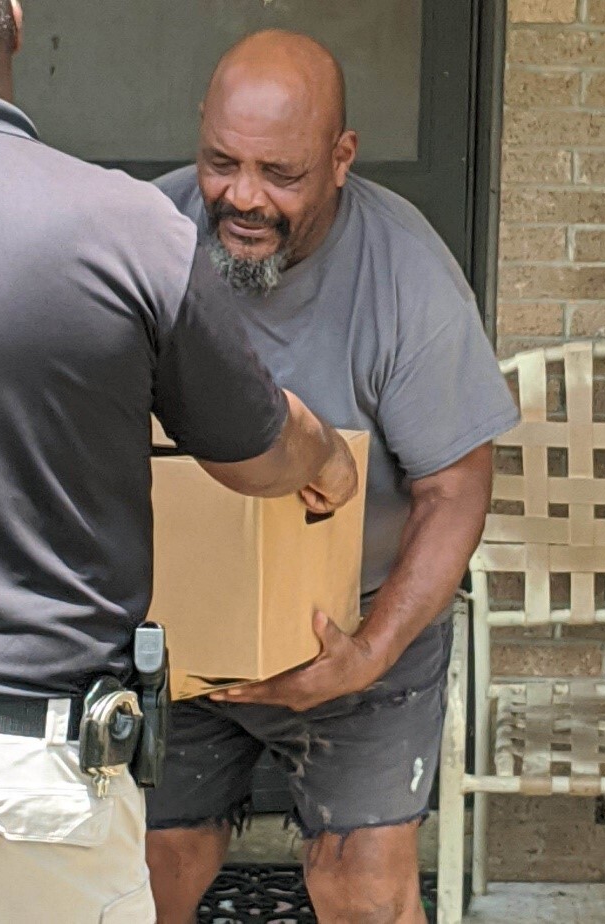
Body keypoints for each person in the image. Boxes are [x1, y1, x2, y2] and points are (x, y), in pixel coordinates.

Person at [0, 7, 358, 923]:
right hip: (38, 771)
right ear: (17, 22)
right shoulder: (124, 227)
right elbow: (258, 454)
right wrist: (329, 458)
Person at [146, 29, 520, 924]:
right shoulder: (144, 238)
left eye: (281, 174)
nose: (242, 196)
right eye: (221, 161)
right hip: (181, 632)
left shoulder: (408, 275)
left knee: (363, 890)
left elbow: (456, 490)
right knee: (146, 872)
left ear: (342, 157)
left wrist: (370, 651)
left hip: (356, 629)